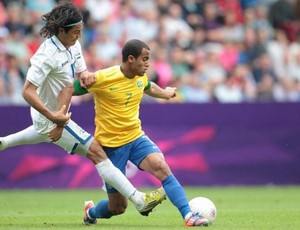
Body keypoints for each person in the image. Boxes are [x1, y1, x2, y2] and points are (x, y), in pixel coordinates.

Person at [0, 0, 166, 221]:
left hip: (56, 113)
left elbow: (76, 79)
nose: (79, 36)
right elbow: (27, 91)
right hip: (49, 114)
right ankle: (139, 200)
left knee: (42, 132)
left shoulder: (72, 44)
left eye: (81, 31)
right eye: (75, 33)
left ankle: (4, 142)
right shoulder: (45, 56)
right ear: (61, 31)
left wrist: (86, 74)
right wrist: (56, 119)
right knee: (97, 152)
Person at [58, 39, 209, 227]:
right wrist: (59, 116)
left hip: (136, 137)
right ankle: (91, 211)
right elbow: (69, 89)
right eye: (144, 59)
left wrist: (165, 93)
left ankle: (188, 215)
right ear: (131, 59)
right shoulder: (103, 78)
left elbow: (148, 86)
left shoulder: (140, 77)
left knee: (161, 166)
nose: (148, 64)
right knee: (118, 207)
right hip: (110, 147)